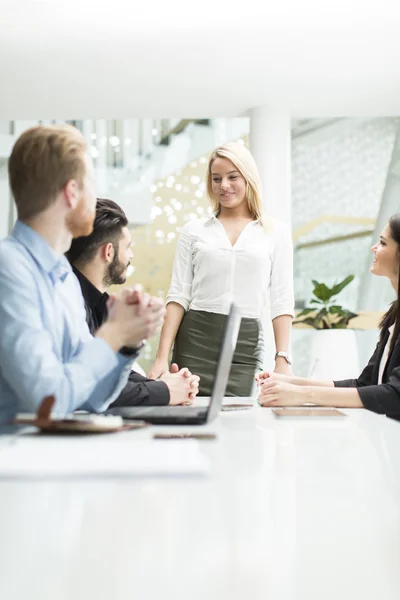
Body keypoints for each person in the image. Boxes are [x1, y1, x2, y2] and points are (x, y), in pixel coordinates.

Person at [0, 124, 165, 425]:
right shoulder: (7, 269)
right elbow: (47, 402)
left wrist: (126, 341)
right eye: (92, 183)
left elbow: (92, 397)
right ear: (72, 192)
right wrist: (113, 333)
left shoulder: (63, 276)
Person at [149, 141, 294, 396]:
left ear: (248, 178)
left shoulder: (276, 233)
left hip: (245, 342)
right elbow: (178, 295)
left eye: (232, 177)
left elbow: (281, 300)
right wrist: (162, 357)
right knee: (189, 421)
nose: (223, 185)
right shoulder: (193, 231)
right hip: (195, 339)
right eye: (216, 179)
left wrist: (282, 357)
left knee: (240, 424)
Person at [258, 213, 400, 415]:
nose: (374, 248)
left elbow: (394, 395)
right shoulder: (394, 316)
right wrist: (289, 382)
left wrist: (303, 395)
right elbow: (363, 384)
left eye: (383, 243)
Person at [66, 198, 200, 406]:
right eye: (128, 247)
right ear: (108, 252)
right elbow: (96, 389)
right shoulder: (71, 304)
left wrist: (168, 384)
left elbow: (115, 376)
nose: (131, 255)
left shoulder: (99, 305)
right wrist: (164, 391)